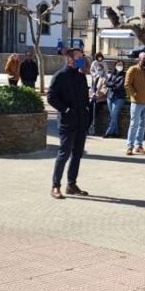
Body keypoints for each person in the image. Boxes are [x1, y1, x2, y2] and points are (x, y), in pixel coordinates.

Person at [48, 47, 90, 198]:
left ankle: (71, 185)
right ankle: (55, 186)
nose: (82, 59)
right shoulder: (60, 76)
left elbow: (85, 99)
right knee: (64, 154)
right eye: (79, 57)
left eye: (82, 57)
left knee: (77, 154)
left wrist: (86, 111)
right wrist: (65, 110)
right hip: (67, 123)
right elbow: (51, 97)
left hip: (81, 123)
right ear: (69, 59)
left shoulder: (81, 76)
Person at [103, 59, 127, 138]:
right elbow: (106, 83)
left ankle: (108, 132)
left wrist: (111, 85)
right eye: (118, 64)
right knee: (113, 115)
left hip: (119, 97)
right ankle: (116, 133)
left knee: (114, 115)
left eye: (121, 65)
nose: (119, 66)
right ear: (115, 65)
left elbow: (120, 86)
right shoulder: (112, 74)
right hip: (110, 96)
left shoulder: (124, 75)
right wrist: (112, 84)